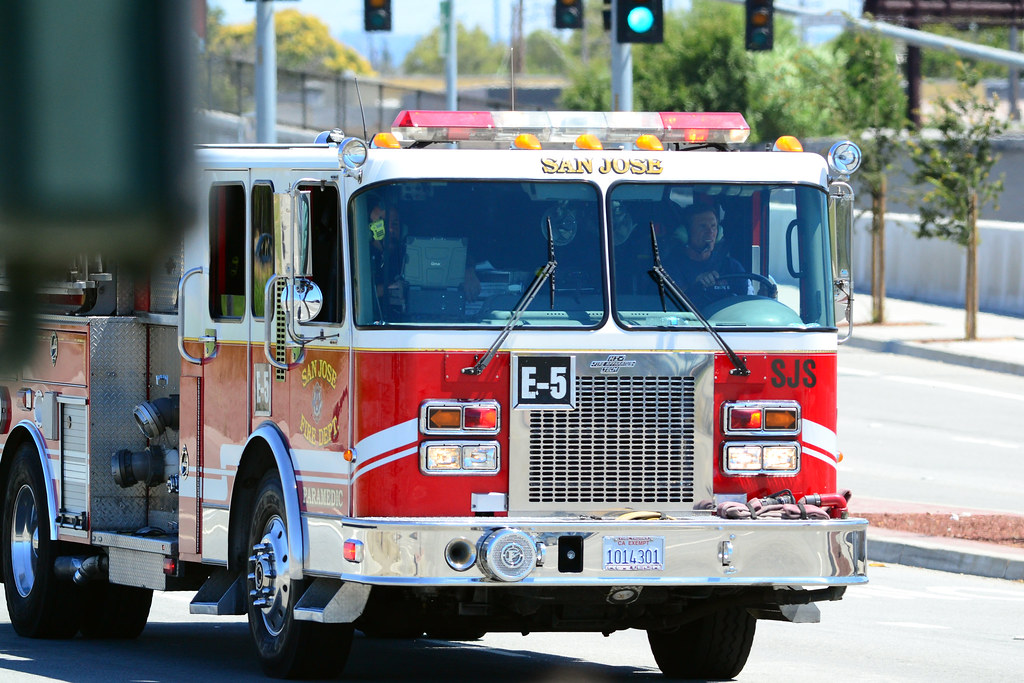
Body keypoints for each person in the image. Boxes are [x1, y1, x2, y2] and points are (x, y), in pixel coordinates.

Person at [668, 201, 750, 310]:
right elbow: (669, 306)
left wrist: (762, 296)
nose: (710, 232)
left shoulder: (732, 266)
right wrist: (694, 286)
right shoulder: (670, 267)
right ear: (685, 233)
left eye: (713, 226)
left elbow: (747, 304)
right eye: (702, 226)